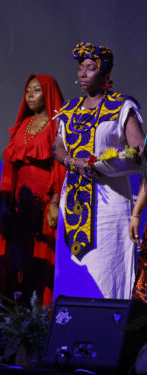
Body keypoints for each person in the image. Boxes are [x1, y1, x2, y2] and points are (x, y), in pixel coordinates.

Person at [52, 42, 143, 299]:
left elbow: (138, 149)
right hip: (73, 202)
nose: (83, 74)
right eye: (81, 68)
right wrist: (74, 162)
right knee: (74, 271)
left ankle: (109, 329)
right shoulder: (69, 109)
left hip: (110, 204)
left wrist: (112, 161)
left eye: (90, 68)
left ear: (104, 74)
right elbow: (57, 148)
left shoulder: (121, 107)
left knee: (107, 268)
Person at [0, 75, 65, 307]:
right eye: (27, 91)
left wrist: (54, 201)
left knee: (41, 258)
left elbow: (59, 167)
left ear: (49, 94)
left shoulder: (58, 125)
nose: (30, 95)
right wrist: (6, 200)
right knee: (17, 257)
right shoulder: (23, 124)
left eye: (37, 90)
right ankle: (16, 315)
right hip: (20, 206)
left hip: (44, 207)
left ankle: (41, 315)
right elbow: (10, 167)